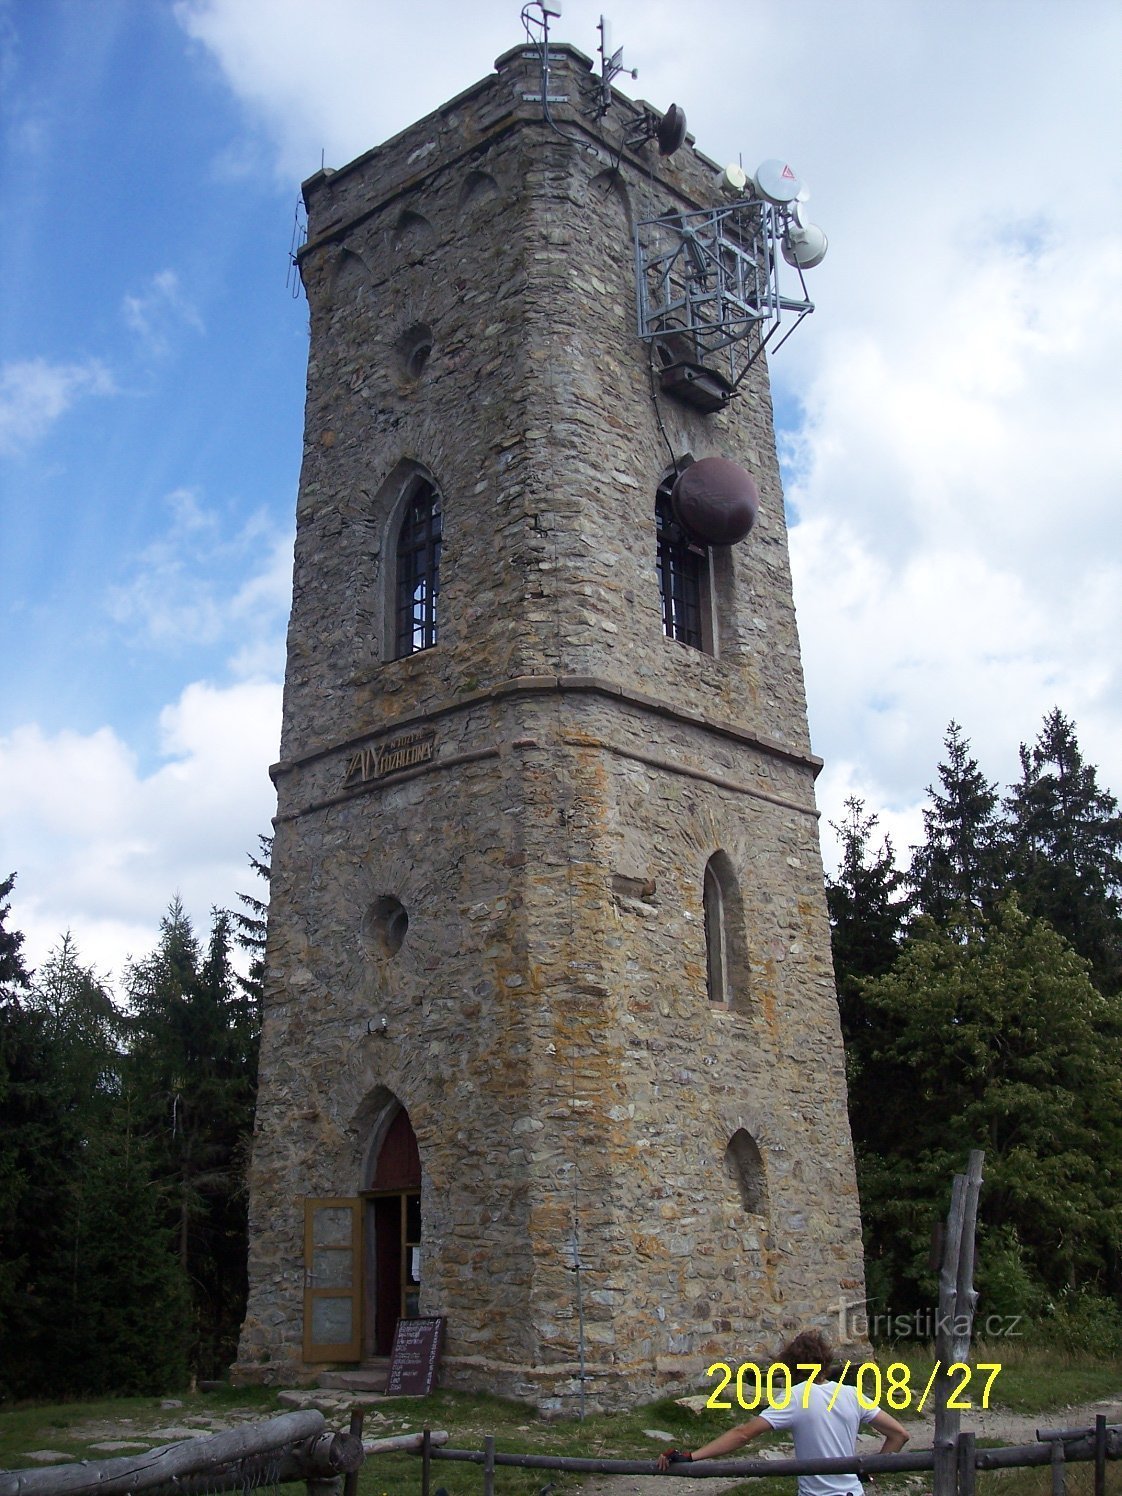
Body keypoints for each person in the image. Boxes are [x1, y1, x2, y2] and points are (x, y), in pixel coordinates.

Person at [658, 1330, 909, 1496]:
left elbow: (743, 1434)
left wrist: (692, 1456)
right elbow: (899, 1435)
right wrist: (869, 1471)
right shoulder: (851, 1394)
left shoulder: (795, 1396)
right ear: (825, 1362)